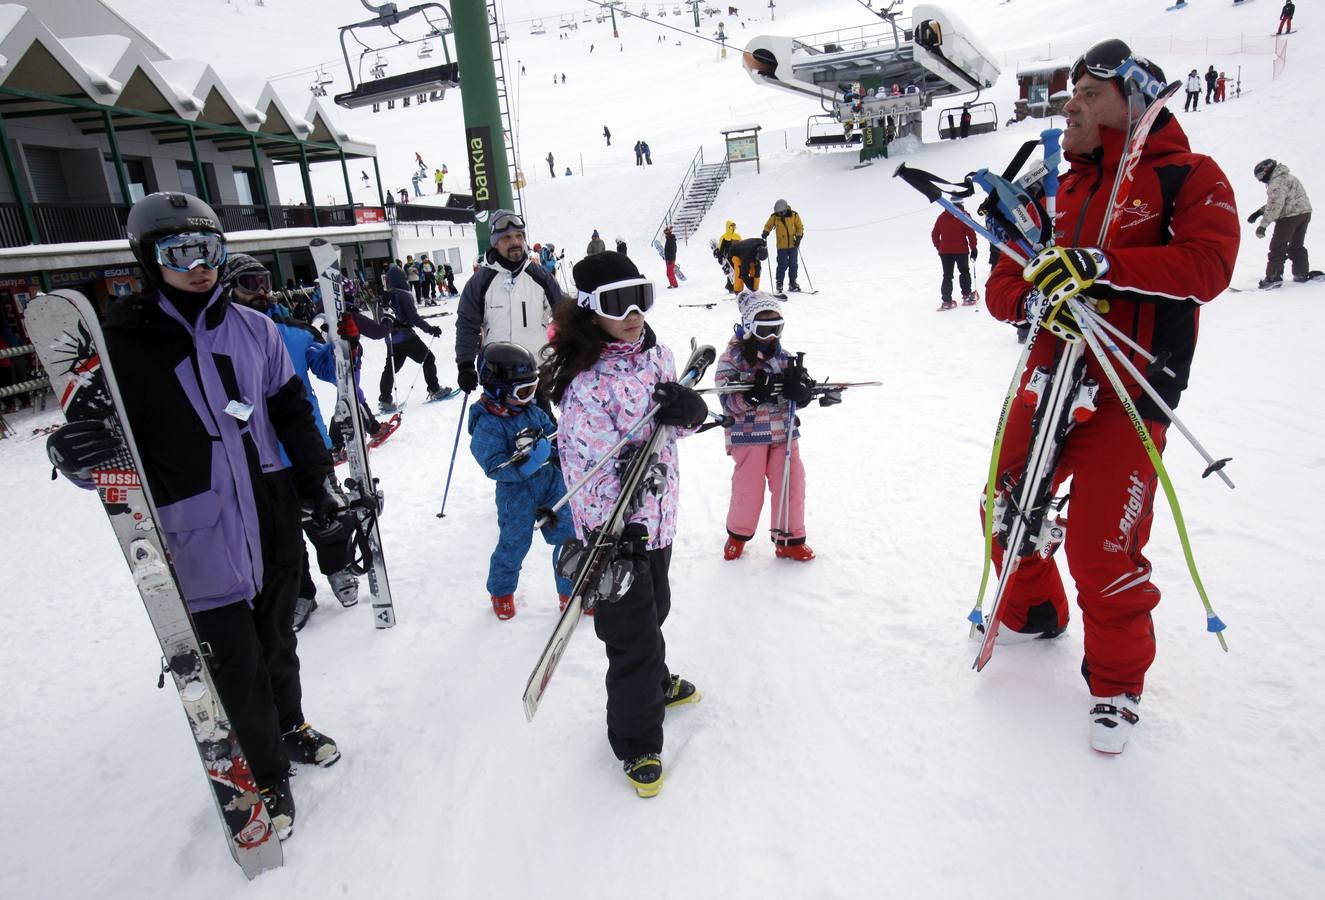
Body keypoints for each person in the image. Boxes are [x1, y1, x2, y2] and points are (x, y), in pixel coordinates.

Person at [45, 193, 346, 841]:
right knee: (232, 660)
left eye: (208, 249)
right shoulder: (122, 343)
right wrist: (73, 450)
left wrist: (317, 483)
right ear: (147, 260)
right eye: (178, 252)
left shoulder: (254, 328)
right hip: (191, 523)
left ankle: (289, 726)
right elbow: (93, 433)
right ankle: (263, 772)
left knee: (278, 640)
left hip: (267, 511)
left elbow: (291, 409)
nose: (198, 265)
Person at [983, 39, 1238, 754]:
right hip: (1048, 378)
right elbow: (1004, 274)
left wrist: (1099, 267)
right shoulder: (1057, 184)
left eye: (1087, 96)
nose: (1071, 107)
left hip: (1130, 387)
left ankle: (1116, 684)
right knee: (1003, 509)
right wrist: (1032, 303)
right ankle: (1033, 610)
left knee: (1103, 546)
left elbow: (1207, 264)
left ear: (1133, 97)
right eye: (1068, 97)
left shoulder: (1190, 175)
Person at [540, 250, 707, 797]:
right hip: (615, 533)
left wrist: (689, 412)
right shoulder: (586, 383)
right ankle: (637, 742)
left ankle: (656, 680)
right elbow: (587, 469)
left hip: (658, 521)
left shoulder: (657, 355)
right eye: (618, 303)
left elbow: (667, 433)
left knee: (655, 608)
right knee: (630, 638)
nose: (634, 313)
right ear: (589, 311)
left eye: (642, 297)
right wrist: (618, 532)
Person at [220, 254, 364, 631]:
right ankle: (301, 592)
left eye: (264, 281)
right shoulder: (217, 340)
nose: (262, 291)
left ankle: (338, 571)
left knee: (325, 516)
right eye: (250, 284)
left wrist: (347, 345)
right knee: (280, 533)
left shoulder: (295, 331)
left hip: (304, 445)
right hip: (255, 454)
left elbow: (332, 372)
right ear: (228, 290)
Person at [467, 342, 575, 621]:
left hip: (551, 484)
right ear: (498, 390)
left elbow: (553, 437)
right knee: (514, 543)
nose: (530, 398)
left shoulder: (532, 412)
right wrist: (528, 463)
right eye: (523, 391)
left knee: (569, 538)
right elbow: (493, 466)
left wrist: (557, 452)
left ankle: (571, 591)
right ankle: (501, 591)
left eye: (533, 389)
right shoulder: (488, 425)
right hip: (516, 493)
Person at [715, 291, 816, 562]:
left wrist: (802, 390)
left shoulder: (785, 358)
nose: (772, 335)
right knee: (749, 487)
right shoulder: (732, 359)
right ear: (748, 326)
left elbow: (804, 387)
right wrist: (751, 395)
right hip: (749, 435)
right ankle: (738, 534)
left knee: (792, 482)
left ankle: (789, 539)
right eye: (764, 328)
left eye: (777, 328)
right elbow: (725, 399)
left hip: (784, 432)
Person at [454, 209, 564, 400]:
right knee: (499, 428)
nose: (515, 242)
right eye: (507, 237)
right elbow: (467, 325)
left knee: (542, 425)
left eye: (519, 236)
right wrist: (465, 365)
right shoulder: (480, 282)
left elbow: (565, 314)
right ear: (495, 243)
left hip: (536, 372)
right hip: (497, 374)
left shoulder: (540, 276)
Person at [378, 263, 452, 411]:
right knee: (428, 358)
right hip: (406, 337)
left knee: (390, 369)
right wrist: (430, 329)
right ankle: (434, 389)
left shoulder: (386, 296)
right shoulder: (404, 294)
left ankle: (385, 400)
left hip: (391, 339)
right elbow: (413, 318)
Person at [1250, 158, 1315, 288]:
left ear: (1267, 170)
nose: (1261, 180)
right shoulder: (1287, 177)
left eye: (1261, 176)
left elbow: (1275, 205)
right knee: (1296, 245)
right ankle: (1300, 273)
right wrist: (1259, 212)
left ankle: (1273, 277)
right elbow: (1282, 201)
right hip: (1304, 213)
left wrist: (1262, 226)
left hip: (1289, 217)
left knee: (1277, 246)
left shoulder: (1277, 182)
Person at [931, 201, 979, 309]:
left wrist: (939, 247)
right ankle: (967, 296)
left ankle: (946, 301)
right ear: (961, 204)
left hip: (945, 252)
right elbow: (971, 233)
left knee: (947, 276)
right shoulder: (964, 216)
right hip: (961, 250)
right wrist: (973, 248)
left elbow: (934, 234)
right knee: (964, 272)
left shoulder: (942, 217)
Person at [760, 199, 805, 293]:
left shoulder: (794, 215)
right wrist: (765, 232)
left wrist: (798, 237)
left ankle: (792, 283)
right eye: (778, 213)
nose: (780, 214)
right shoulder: (774, 216)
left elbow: (799, 227)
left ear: (785, 209)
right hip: (781, 246)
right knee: (782, 264)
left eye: (781, 213)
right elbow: (768, 225)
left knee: (793, 264)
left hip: (793, 244)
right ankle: (779, 283)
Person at [713, 219, 742, 293]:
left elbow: (742, 246)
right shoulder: (724, 237)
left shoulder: (737, 236)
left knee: (738, 273)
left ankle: (736, 287)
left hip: (737, 257)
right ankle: (730, 288)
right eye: (731, 226)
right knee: (730, 273)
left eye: (733, 226)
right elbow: (721, 249)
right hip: (728, 258)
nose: (733, 228)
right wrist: (720, 258)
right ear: (728, 227)